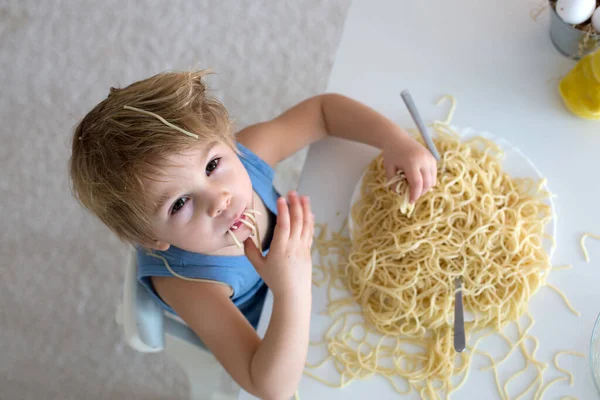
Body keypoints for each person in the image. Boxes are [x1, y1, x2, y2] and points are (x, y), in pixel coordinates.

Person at [69, 70, 437, 399]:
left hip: (327, 272)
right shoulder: (187, 282)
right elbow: (269, 386)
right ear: (152, 239)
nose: (219, 199)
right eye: (180, 204)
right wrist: (291, 287)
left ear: (228, 143)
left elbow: (322, 112)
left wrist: (395, 141)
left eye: (213, 165)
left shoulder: (246, 155)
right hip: (281, 333)